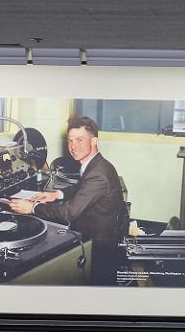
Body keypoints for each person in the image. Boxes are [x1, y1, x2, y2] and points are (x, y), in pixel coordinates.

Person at [7, 116, 129, 285]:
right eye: (70, 141)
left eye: (79, 140)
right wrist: (57, 194)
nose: (73, 146)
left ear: (94, 141)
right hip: (102, 234)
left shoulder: (98, 173)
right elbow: (83, 188)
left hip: (98, 248)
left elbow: (69, 212)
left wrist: (33, 207)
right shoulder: (97, 164)